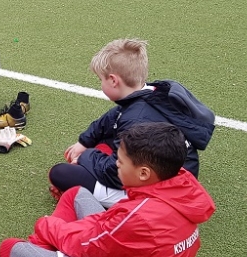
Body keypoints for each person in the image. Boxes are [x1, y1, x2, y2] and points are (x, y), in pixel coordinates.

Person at [0, 122, 216, 257]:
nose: (116, 164)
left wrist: (45, 225)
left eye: (120, 161)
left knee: (11, 249)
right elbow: (107, 232)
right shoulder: (180, 181)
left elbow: (85, 246)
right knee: (76, 194)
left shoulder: (140, 216)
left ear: (144, 173)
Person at [49, 38, 214, 207]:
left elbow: (115, 174)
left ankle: (124, 202)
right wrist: (84, 142)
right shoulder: (151, 92)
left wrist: (85, 157)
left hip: (162, 193)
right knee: (103, 140)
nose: (100, 84)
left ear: (113, 80)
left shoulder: (136, 119)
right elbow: (110, 119)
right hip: (173, 172)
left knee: (60, 173)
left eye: (101, 79)